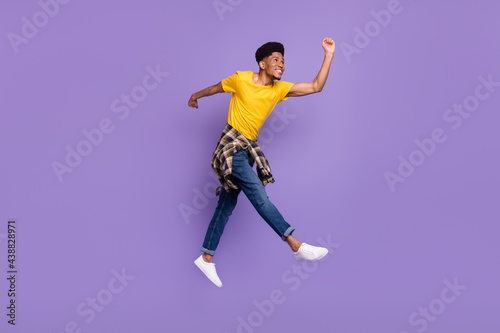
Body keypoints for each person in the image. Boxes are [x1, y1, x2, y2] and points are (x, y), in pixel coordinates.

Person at [188, 37, 336, 287]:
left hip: (247, 151)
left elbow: (315, 86)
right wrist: (195, 95)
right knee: (259, 195)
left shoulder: (278, 90)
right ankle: (295, 245)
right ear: (262, 63)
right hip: (231, 148)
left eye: (283, 61)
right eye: (276, 60)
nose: (281, 65)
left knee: (226, 205)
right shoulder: (241, 79)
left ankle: (206, 257)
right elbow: (216, 87)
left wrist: (328, 55)